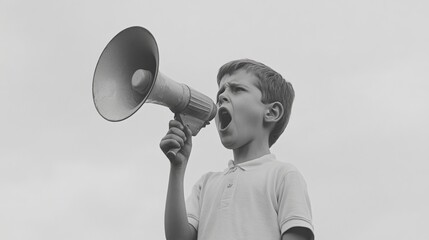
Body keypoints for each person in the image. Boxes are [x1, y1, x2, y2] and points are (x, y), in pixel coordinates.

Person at [160, 59, 314, 240]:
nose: (222, 97)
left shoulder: (283, 175)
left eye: (237, 89)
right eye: (220, 93)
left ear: (271, 113)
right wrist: (177, 168)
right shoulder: (206, 183)